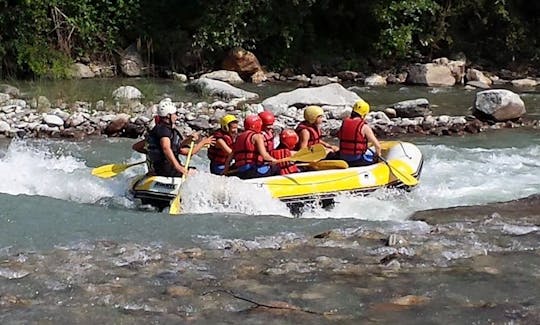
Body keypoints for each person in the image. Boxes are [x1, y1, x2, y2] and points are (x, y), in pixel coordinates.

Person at [132, 98, 214, 177]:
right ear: (168, 116)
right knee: (196, 173)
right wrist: (178, 167)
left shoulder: (159, 131)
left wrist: (189, 139)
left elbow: (178, 147)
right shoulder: (164, 131)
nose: (176, 117)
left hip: (160, 168)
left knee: (193, 169)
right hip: (168, 170)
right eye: (174, 114)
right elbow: (166, 148)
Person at [225, 114, 278, 179]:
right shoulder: (257, 136)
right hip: (252, 170)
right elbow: (264, 155)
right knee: (276, 168)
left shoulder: (238, 137)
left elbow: (229, 158)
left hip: (241, 171)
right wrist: (274, 160)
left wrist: (225, 171)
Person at [337, 99, 381, 167]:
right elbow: (377, 146)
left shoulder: (344, 123)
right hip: (357, 160)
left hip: (343, 157)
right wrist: (377, 156)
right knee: (374, 159)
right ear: (364, 114)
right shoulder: (364, 127)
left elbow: (339, 136)